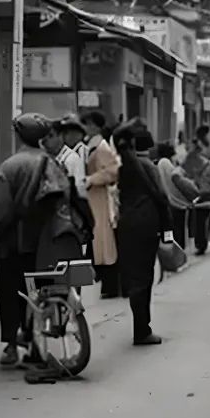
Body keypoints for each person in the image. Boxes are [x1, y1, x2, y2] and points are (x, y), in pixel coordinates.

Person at [0, 113, 71, 366]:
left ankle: (11, 344)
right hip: (45, 241)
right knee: (39, 291)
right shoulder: (52, 164)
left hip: (13, 242)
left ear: (18, 135)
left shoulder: (10, 166)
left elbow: (1, 206)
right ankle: (34, 340)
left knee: (9, 292)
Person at [112, 119, 171, 345]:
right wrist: (168, 232)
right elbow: (161, 197)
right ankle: (142, 329)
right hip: (146, 225)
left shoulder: (118, 165)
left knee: (134, 276)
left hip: (125, 225)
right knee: (144, 279)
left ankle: (140, 326)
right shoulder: (147, 166)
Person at [82, 110, 121, 299]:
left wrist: (91, 179)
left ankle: (110, 284)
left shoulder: (101, 147)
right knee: (99, 244)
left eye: (88, 124)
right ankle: (107, 284)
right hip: (94, 199)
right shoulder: (92, 145)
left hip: (100, 200)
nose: (86, 128)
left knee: (104, 245)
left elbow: (112, 172)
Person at [157, 141, 198, 251]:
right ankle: (178, 252)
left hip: (168, 201)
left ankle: (174, 251)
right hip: (174, 202)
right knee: (177, 229)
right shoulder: (166, 163)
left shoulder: (161, 163)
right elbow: (175, 178)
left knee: (172, 230)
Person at [183, 129, 210, 255]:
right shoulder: (207, 158)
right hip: (206, 190)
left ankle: (200, 244)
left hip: (199, 190)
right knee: (203, 219)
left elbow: (186, 173)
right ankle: (201, 243)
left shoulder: (192, 159)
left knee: (198, 220)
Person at [41, 120, 87, 198]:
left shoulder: (72, 158)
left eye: (51, 136)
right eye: (43, 137)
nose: (46, 140)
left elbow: (80, 191)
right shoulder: (42, 159)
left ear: (60, 136)